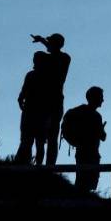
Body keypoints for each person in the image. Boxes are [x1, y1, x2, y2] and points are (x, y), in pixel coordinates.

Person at [31, 33, 70, 166]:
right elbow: (53, 51)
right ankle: (48, 167)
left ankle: (43, 166)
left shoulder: (55, 59)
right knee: (49, 136)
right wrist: (43, 41)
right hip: (54, 101)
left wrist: (42, 41)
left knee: (44, 136)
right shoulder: (63, 58)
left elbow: (52, 53)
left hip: (48, 102)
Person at [62, 86, 106, 193]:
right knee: (88, 182)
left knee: (82, 180)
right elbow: (103, 137)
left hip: (81, 152)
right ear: (95, 98)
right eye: (101, 97)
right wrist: (100, 130)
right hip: (91, 153)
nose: (102, 100)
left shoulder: (79, 112)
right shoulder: (96, 116)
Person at [15, 52, 52, 165]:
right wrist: (21, 99)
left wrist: (21, 100)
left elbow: (24, 91)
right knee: (35, 142)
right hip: (36, 112)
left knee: (33, 141)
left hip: (35, 112)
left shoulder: (35, 76)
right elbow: (24, 91)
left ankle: (31, 164)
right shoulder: (43, 76)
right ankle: (32, 164)